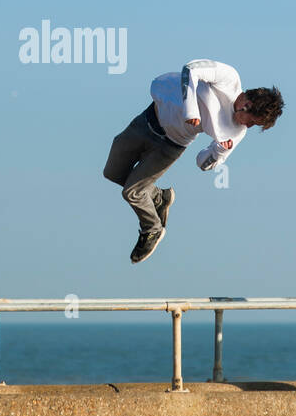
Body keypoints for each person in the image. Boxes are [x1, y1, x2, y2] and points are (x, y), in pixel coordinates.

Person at [103, 59, 283, 263]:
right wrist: (192, 111)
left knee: (132, 192)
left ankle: (152, 230)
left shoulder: (236, 133)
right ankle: (159, 198)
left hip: (171, 146)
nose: (248, 127)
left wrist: (216, 152)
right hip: (146, 121)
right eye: (252, 121)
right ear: (246, 104)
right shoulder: (229, 78)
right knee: (113, 172)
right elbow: (190, 70)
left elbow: (202, 163)